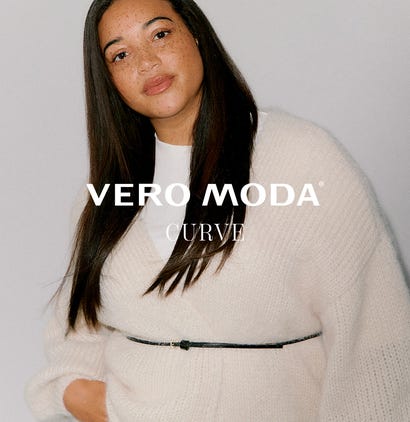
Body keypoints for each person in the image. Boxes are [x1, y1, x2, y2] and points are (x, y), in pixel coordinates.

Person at [25, 0, 410, 420]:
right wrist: (83, 398)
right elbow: (75, 338)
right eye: (120, 55)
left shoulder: (301, 158)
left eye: (160, 34)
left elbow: (377, 337)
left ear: (195, 34)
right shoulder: (103, 198)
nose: (146, 62)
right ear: (108, 79)